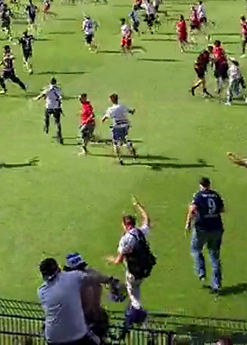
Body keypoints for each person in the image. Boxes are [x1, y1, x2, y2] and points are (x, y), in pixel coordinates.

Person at [38, 257, 115, 345]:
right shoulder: (73, 276)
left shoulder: (41, 291)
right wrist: (111, 280)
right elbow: (94, 278)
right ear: (58, 268)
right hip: (77, 336)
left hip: (53, 338)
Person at [107, 198, 154, 339]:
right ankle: (135, 313)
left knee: (134, 299)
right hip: (145, 270)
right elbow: (147, 220)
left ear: (125, 225)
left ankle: (146, 325)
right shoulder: (140, 232)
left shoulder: (126, 239)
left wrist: (110, 259)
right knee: (135, 293)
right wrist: (139, 206)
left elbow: (118, 260)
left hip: (133, 273)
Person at [185, 176, 225, 293]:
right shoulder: (216, 195)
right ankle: (217, 284)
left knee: (196, 250)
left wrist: (188, 223)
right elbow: (222, 209)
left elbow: (192, 210)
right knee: (214, 255)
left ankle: (201, 272)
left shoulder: (198, 195)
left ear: (201, 185)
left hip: (202, 228)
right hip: (217, 227)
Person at [101, 93, 137, 164]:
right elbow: (131, 111)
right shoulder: (122, 106)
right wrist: (133, 111)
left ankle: (119, 158)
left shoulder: (111, 109)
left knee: (115, 142)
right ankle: (129, 146)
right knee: (124, 139)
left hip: (117, 126)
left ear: (111, 100)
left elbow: (105, 117)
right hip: (125, 125)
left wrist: (103, 119)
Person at [35, 77, 63, 143]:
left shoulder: (48, 89)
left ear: (50, 82)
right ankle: (59, 136)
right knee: (57, 122)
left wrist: (36, 98)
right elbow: (60, 97)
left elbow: (42, 95)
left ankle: (46, 127)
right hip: (56, 107)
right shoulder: (58, 89)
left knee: (46, 117)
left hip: (49, 107)